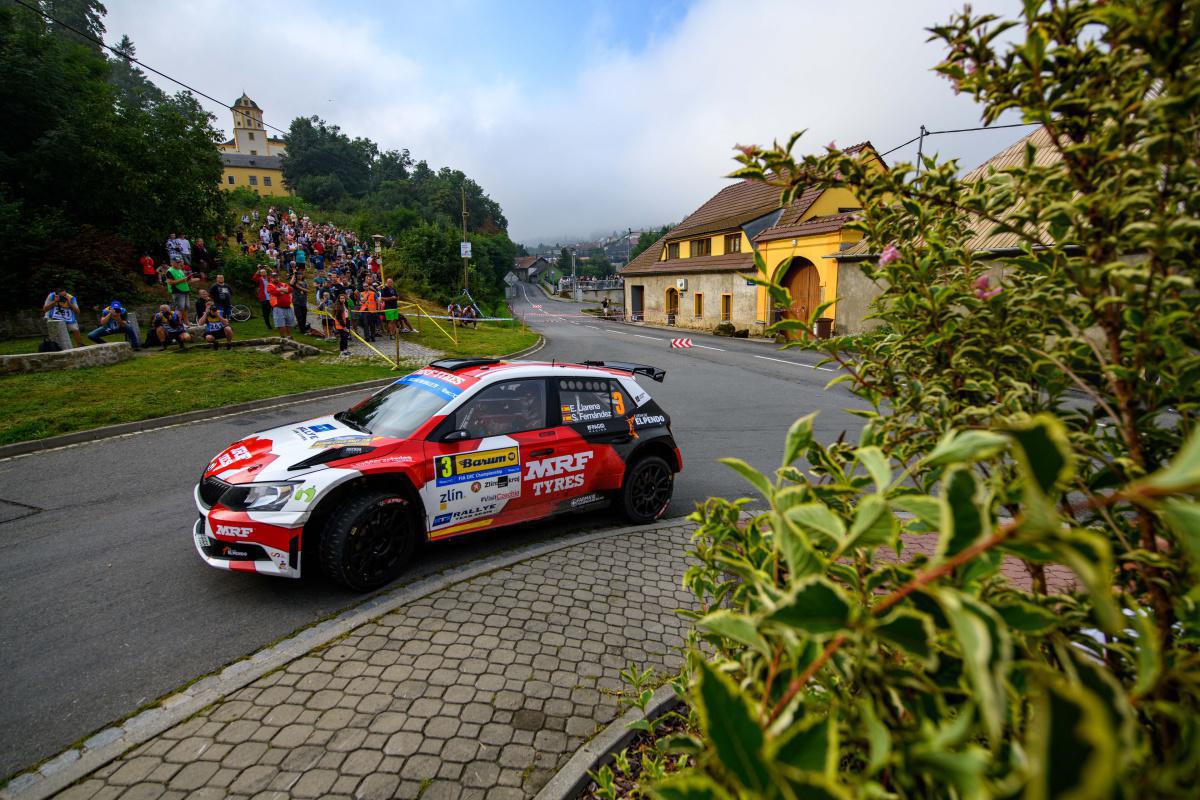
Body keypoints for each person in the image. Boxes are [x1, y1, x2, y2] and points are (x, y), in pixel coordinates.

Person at [267, 272, 295, 338]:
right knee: (280, 324)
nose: (276, 278)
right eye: (274, 277)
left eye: (277, 277)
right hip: (278, 307)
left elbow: (290, 289)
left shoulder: (283, 284)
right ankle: (283, 338)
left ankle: (289, 337)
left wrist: (280, 289)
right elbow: (274, 292)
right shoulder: (270, 285)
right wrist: (284, 290)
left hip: (288, 307)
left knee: (289, 323)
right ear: (271, 278)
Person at [165, 258, 192, 323]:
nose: (179, 263)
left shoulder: (180, 270)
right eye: (177, 262)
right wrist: (183, 280)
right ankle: (176, 323)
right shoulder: (169, 271)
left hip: (185, 290)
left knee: (186, 307)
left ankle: (186, 322)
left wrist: (188, 279)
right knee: (180, 308)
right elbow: (170, 282)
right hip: (177, 291)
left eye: (179, 262)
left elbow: (183, 280)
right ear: (172, 263)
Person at [291, 268, 311, 335]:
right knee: (299, 317)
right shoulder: (294, 282)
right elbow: (291, 283)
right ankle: (302, 330)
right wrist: (294, 274)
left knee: (304, 316)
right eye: (298, 275)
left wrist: (300, 288)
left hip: (303, 302)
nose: (299, 276)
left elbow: (308, 290)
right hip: (296, 302)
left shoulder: (304, 282)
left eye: (300, 275)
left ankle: (303, 328)